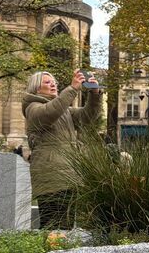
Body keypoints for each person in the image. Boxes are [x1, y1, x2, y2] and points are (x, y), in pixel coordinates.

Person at [22, 68, 102, 230]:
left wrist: (94, 95)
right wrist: (72, 88)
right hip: (52, 178)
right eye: (47, 82)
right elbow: (49, 112)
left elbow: (87, 117)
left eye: (54, 83)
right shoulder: (32, 107)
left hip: (67, 176)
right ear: (36, 88)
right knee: (53, 226)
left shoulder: (63, 110)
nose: (53, 85)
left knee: (64, 227)